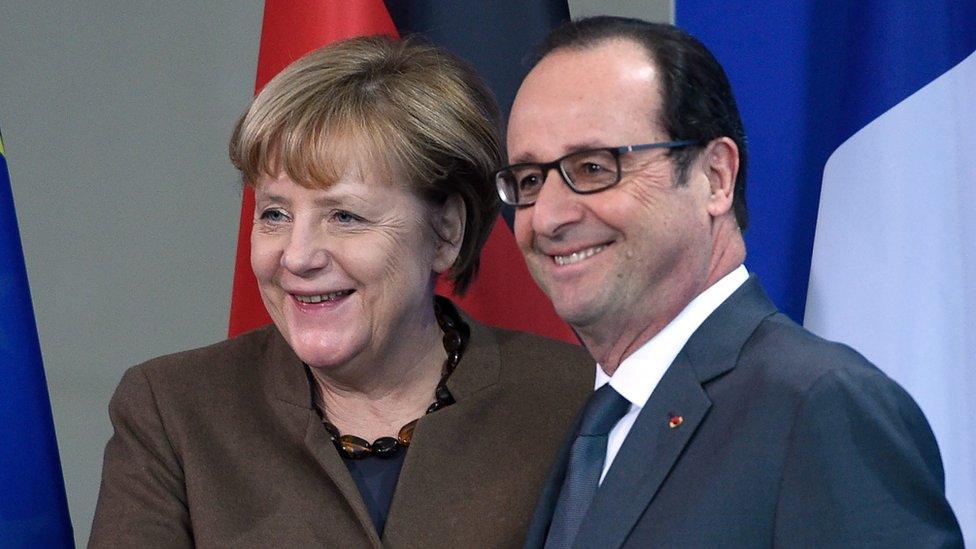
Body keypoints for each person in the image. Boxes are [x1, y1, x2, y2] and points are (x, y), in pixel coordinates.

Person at [89, 35, 592, 548]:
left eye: (345, 216)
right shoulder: (174, 408)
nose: (297, 255)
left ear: (445, 233)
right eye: (275, 214)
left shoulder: (577, 397)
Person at [496, 17, 964, 548]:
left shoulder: (819, 405)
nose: (549, 216)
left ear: (714, 177)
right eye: (530, 180)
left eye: (595, 167)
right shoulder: (586, 428)